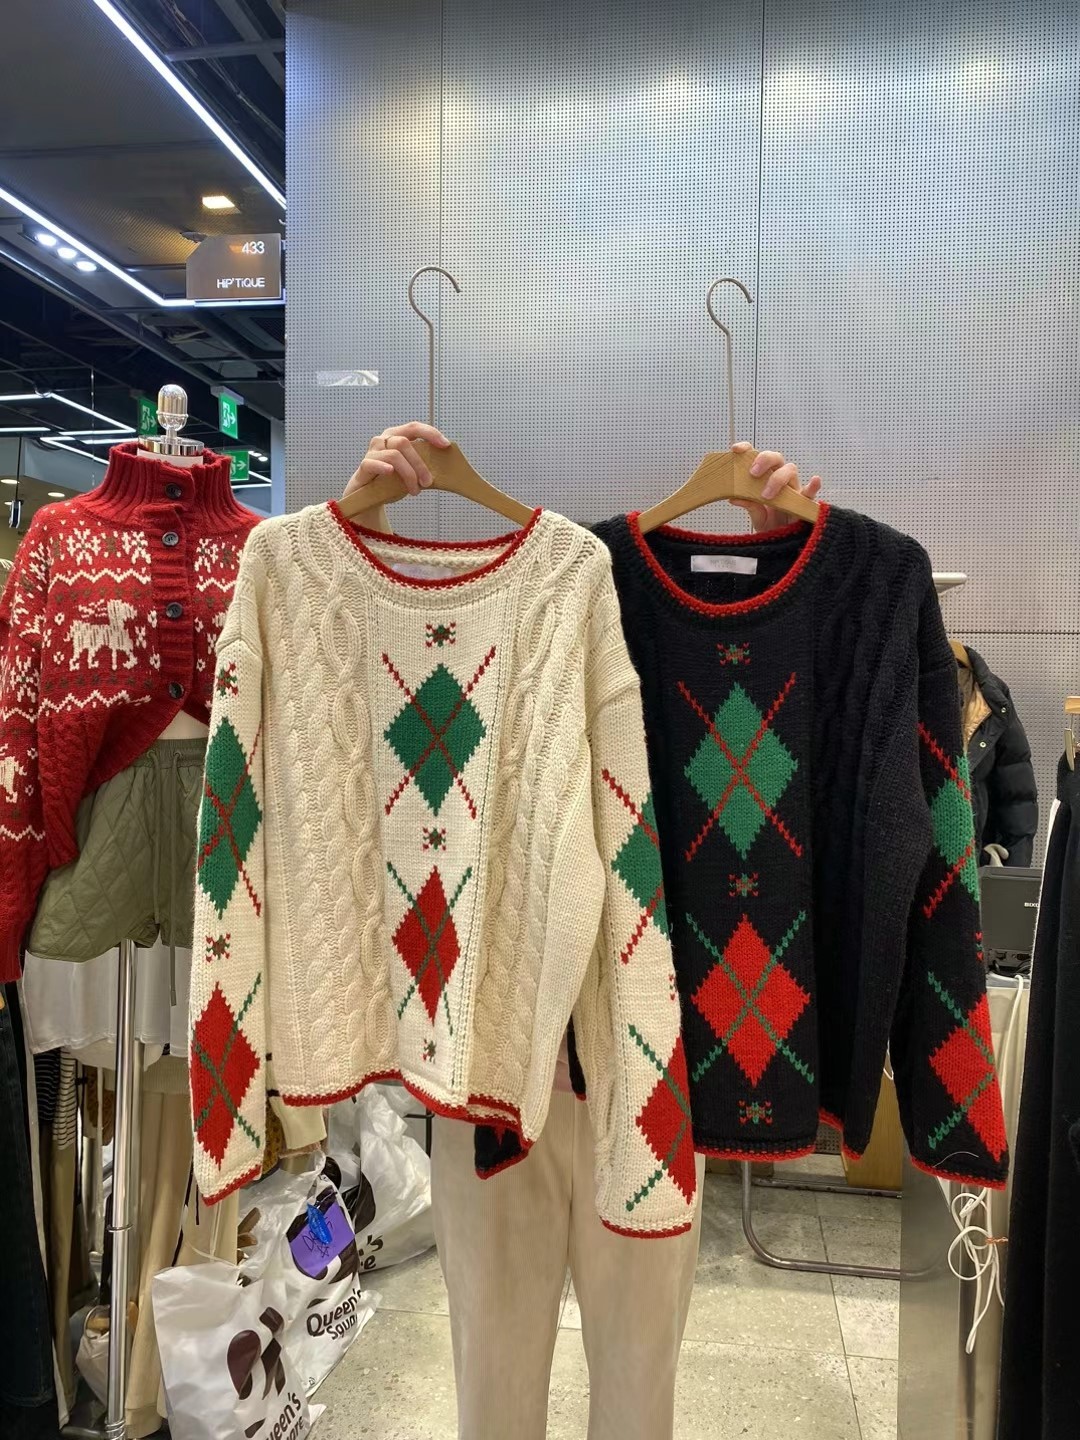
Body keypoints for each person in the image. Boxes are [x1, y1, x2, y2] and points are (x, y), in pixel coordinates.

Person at [342, 423, 822, 1440]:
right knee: (493, 1391)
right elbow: (384, 723)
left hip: (657, 1072)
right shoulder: (552, 581)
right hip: (492, 1063)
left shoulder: (798, 618)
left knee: (639, 1394)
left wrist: (785, 562)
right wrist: (361, 536)